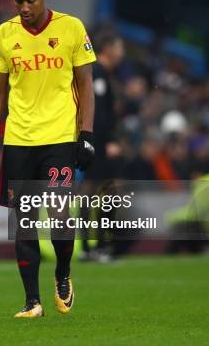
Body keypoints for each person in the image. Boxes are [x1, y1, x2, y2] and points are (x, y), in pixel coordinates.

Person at [0, 0, 96, 318]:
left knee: (60, 213)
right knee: (24, 221)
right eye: (19, 2)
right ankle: (32, 301)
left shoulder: (71, 28)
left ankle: (62, 273)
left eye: (31, 0)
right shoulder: (5, 33)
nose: (25, 7)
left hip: (60, 138)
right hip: (18, 141)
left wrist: (86, 135)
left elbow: (86, 84)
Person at [78, 27, 125, 262]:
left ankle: (94, 245)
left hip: (98, 143)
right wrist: (107, 141)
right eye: (119, 47)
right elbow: (96, 113)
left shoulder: (103, 73)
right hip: (98, 144)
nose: (122, 53)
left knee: (101, 192)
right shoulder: (97, 72)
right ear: (108, 49)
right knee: (99, 191)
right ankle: (95, 246)